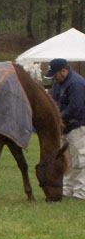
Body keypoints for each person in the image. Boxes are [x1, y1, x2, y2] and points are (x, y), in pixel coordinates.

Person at [46, 58, 85, 200]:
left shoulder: (77, 84)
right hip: (64, 128)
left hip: (77, 127)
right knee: (65, 160)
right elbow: (53, 102)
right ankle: (67, 189)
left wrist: (57, 118)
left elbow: (75, 108)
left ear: (64, 71)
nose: (54, 78)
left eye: (55, 74)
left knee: (79, 159)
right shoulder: (57, 83)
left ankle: (81, 192)